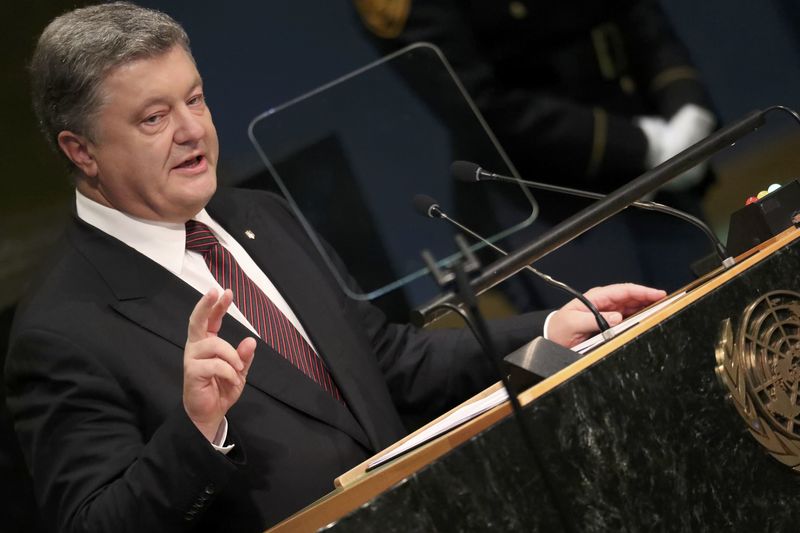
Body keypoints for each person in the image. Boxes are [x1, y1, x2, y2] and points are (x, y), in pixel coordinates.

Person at [4, 3, 665, 531]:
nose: (193, 130)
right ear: (81, 150)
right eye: (153, 117)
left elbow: (385, 362)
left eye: (195, 99)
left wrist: (548, 328)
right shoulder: (62, 330)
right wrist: (197, 431)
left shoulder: (260, 214)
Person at [355, 0, 718, 308]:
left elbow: (638, 15)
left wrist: (686, 107)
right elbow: (479, 105)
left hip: (663, 152)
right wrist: (641, 146)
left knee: (726, 314)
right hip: (545, 201)